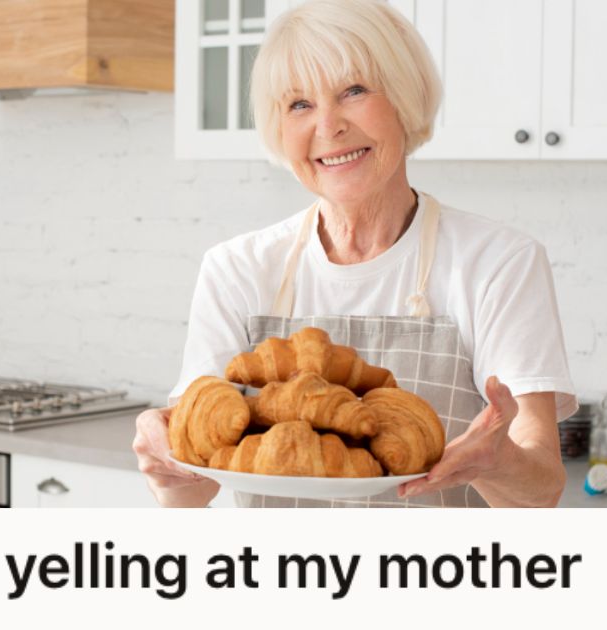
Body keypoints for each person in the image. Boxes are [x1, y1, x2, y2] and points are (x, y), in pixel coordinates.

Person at [133, 0, 574, 508]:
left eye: (354, 91)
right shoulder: (237, 268)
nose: (329, 126)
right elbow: (194, 489)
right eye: (299, 104)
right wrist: (165, 468)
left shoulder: (497, 262)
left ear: (407, 102)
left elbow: (541, 491)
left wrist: (500, 463)